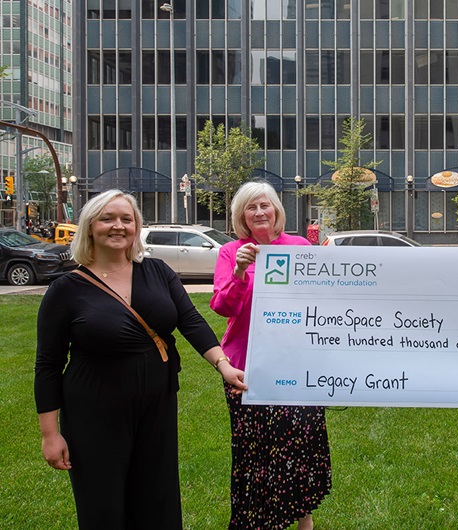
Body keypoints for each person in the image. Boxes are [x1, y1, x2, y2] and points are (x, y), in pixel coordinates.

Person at [34, 189, 247, 529]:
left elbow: (190, 322)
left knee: (157, 500)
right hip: (94, 411)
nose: (117, 226)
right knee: (103, 506)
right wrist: (50, 434)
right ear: (90, 227)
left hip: (157, 406)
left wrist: (223, 365)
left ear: (136, 227)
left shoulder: (158, 272)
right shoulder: (66, 290)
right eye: (107, 218)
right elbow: (47, 364)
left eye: (126, 219)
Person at [211, 181, 332, 530]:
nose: (260, 212)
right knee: (257, 452)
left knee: (301, 446)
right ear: (241, 216)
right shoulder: (231, 252)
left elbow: (321, 301)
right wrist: (238, 273)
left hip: (296, 364)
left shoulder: (298, 246)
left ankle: (303, 521)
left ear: (277, 210)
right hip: (246, 367)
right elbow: (221, 306)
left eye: (265, 205)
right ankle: (259, 522)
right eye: (252, 207)